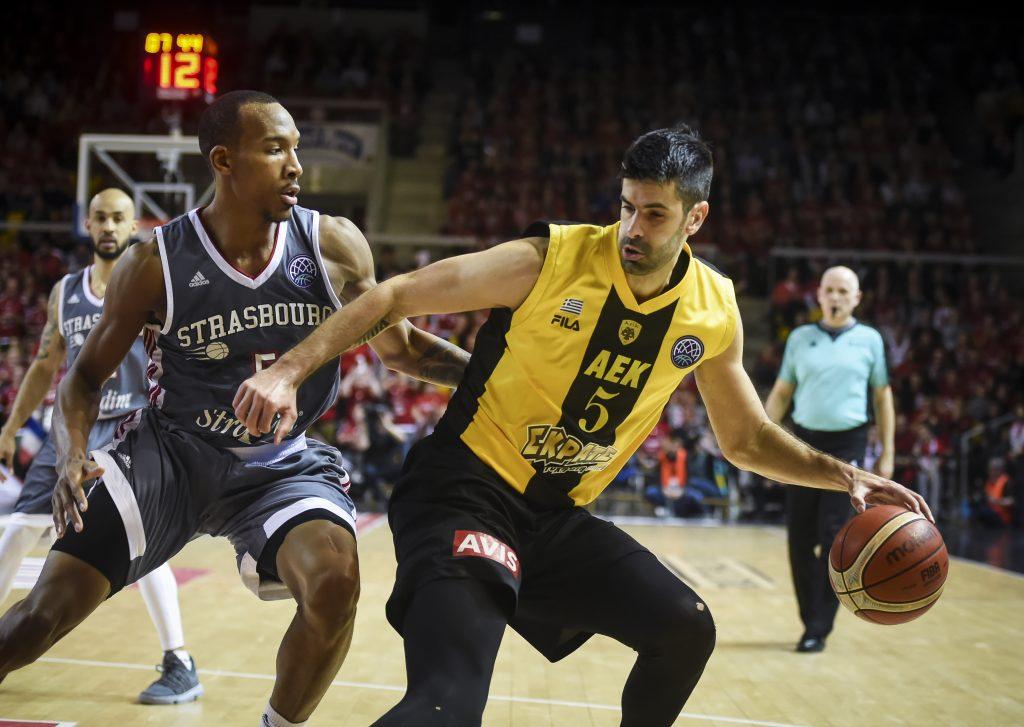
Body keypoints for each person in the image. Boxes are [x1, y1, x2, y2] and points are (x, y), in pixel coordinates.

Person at [235, 126, 931, 726]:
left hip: (555, 521)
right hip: (463, 493)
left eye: (654, 214)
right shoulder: (550, 259)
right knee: (448, 704)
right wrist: (288, 369)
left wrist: (843, 472)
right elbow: (395, 295)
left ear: (696, 218)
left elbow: (745, 437)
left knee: (685, 628)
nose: (633, 227)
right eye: (627, 207)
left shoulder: (713, 310)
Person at [0, 91, 469, 727]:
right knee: (40, 618)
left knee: (335, 583)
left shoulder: (332, 245)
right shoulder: (153, 261)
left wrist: (495, 377)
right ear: (224, 160)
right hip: (169, 455)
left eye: (297, 148)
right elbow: (81, 379)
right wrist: (72, 457)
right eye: (276, 149)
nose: (296, 164)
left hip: (281, 465)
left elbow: (403, 349)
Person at [0, 188, 201, 704]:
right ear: (86, 225)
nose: (110, 227)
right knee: (18, 531)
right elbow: (47, 366)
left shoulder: (149, 284)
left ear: (133, 225)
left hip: (131, 426)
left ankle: (179, 659)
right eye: (101, 219)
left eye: (119, 219)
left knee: (141, 546)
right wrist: (10, 426)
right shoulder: (65, 291)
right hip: (71, 427)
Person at [764, 265, 895, 653]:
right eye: (829, 290)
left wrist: (888, 452)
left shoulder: (870, 340)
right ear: (818, 296)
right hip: (804, 445)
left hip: (849, 445)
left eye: (843, 291)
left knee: (834, 537)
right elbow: (782, 393)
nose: (835, 297)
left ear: (856, 298)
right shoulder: (800, 339)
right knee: (799, 539)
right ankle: (810, 620)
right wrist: (764, 442)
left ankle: (820, 626)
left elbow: (883, 397)